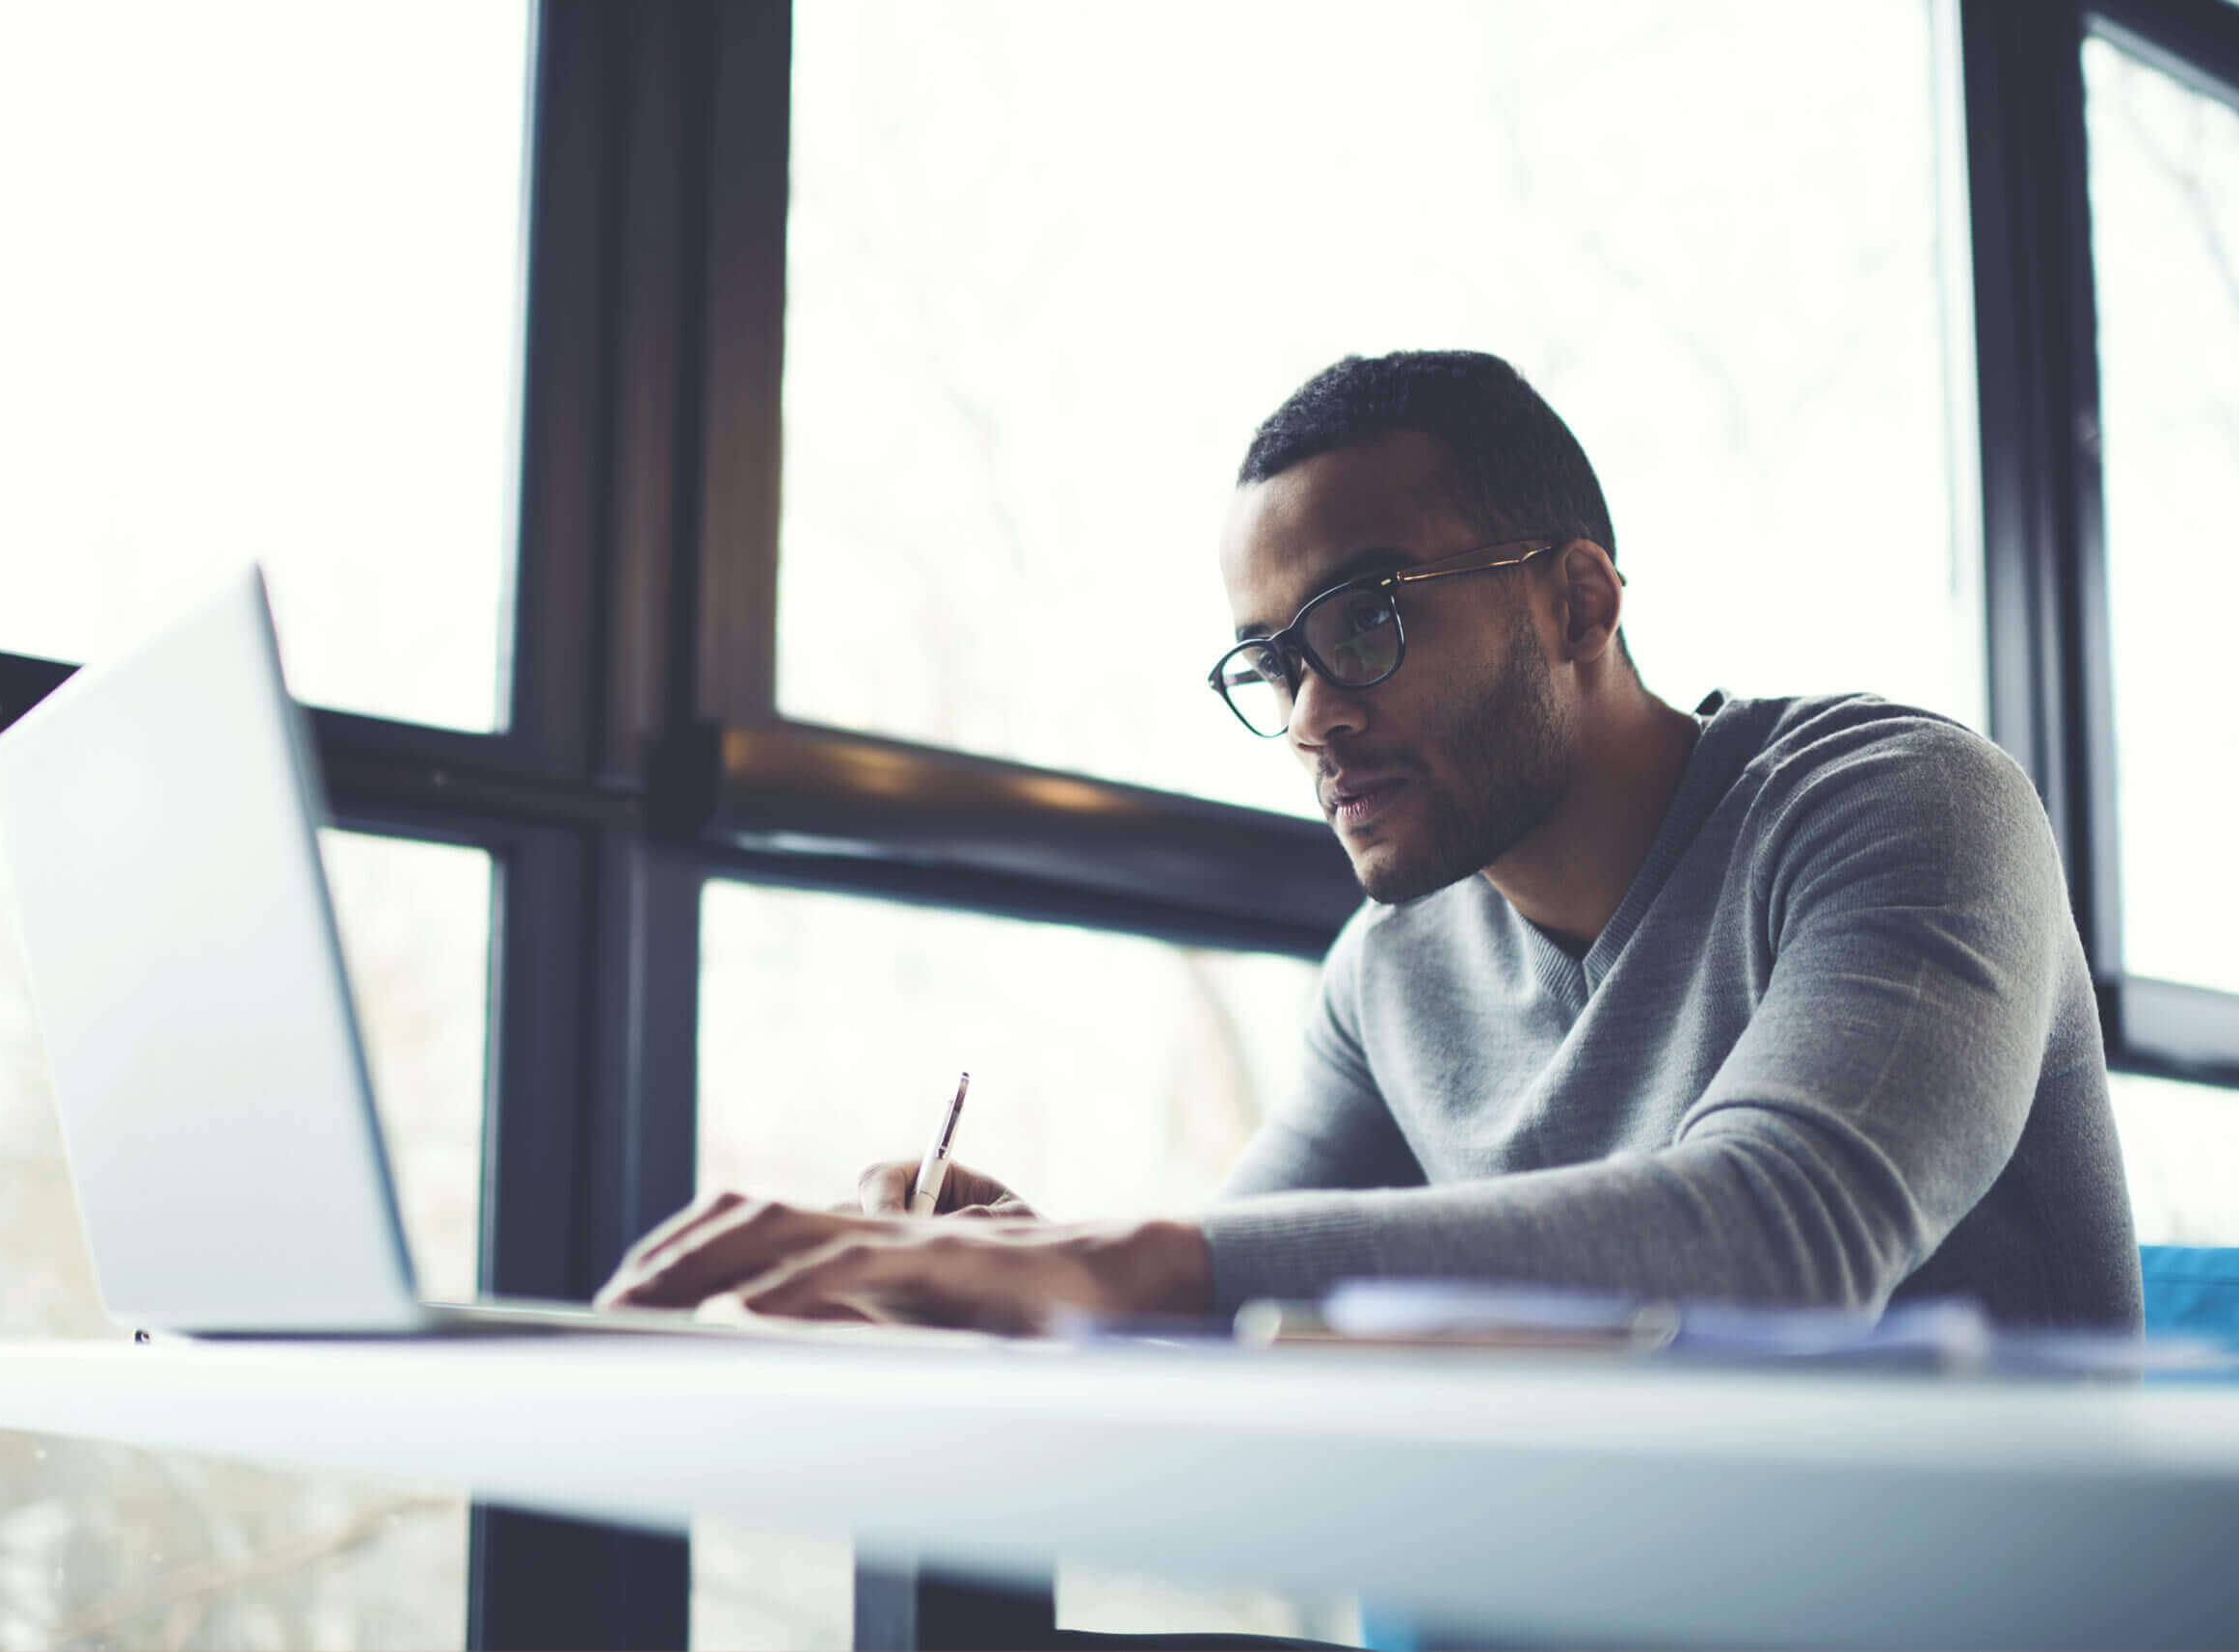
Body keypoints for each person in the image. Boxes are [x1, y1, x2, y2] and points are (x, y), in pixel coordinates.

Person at [596, 349, 2143, 1335]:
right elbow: (1247, 1285)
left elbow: (1786, 1235)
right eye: (1275, 663)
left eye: (1372, 620)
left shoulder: (1901, 806)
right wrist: (1026, 1270)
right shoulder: (1390, 973)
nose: (1311, 717)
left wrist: (1127, 1263)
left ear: (1580, 601)